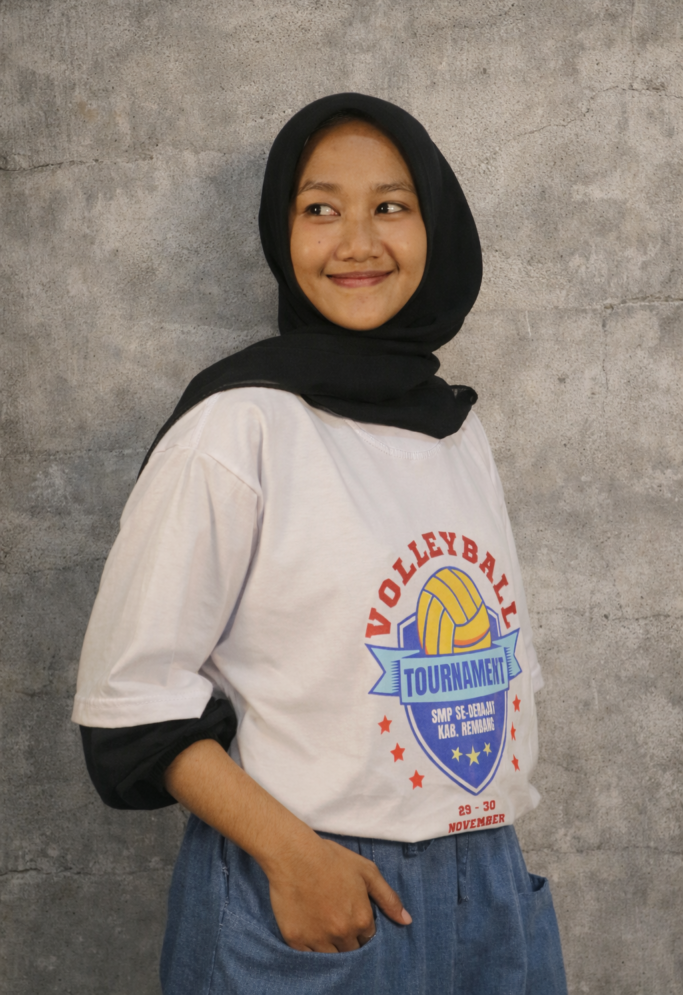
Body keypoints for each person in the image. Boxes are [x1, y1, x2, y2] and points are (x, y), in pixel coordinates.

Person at [73, 93, 567, 994]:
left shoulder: (456, 431)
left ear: (437, 224)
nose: (357, 242)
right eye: (320, 209)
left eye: (390, 206)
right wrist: (296, 859)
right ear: (282, 229)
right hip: (312, 890)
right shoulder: (238, 427)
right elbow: (130, 705)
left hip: (490, 888)